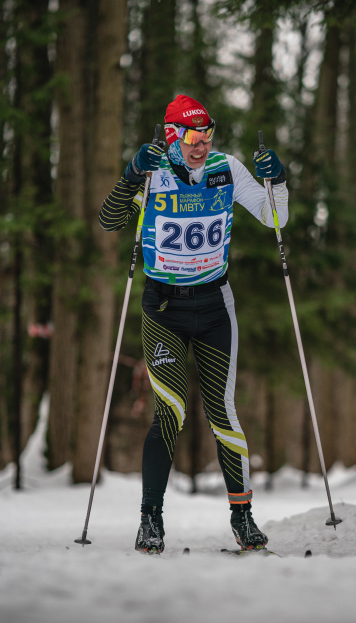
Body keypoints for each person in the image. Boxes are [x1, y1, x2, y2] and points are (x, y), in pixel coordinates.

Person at [98, 94, 289, 554]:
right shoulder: (154, 170)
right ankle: (150, 521)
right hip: (164, 307)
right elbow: (109, 221)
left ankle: (243, 517)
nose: (200, 147)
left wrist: (276, 180)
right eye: (191, 139)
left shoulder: (226, 169)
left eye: (206, 137)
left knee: (223, 411)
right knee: (172, 410)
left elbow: (275, 216)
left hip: (214, 303)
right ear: (172, 136)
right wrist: (130, 175)